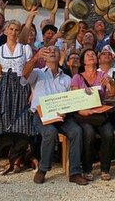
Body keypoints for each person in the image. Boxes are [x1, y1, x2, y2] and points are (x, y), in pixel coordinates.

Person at [22, 46, 87, 185]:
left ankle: (75, 172)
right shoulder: (38, 73)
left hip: (62, 116)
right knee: (50, 133)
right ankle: (43, 169)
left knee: (76, 131)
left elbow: (71, 99)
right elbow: (24, 74)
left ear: (60, 56)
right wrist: (35, 58)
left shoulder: (67, 78)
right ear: (44, 56)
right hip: (41, 116)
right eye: (48, 50)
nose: (52, 52)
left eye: (55, 51)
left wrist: (66, 111)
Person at [70, 48, 115, 181]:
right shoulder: (77, 77)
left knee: (108, 133)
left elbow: (113, 93)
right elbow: (74, 98)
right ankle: (87, 169)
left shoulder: (102, 75)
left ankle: (105, 169)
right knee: (89, 134)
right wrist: (81, 111)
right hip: (83, 114)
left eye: (93, 54)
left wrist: (111, 82)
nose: (91, 56)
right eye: (87, 55)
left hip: (99, 114)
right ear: (83, 61)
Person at [0, 20, 34, 136]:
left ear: (19, 33)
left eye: (16, 30)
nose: (13, 32)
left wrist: (33, 91)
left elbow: (30, 72)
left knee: (22, 115)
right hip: (4, 85)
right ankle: (4, 146)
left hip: (22, 84)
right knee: (4, 114)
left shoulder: (25, 49)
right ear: (5, 31)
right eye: (11, 29)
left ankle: (21, 147)